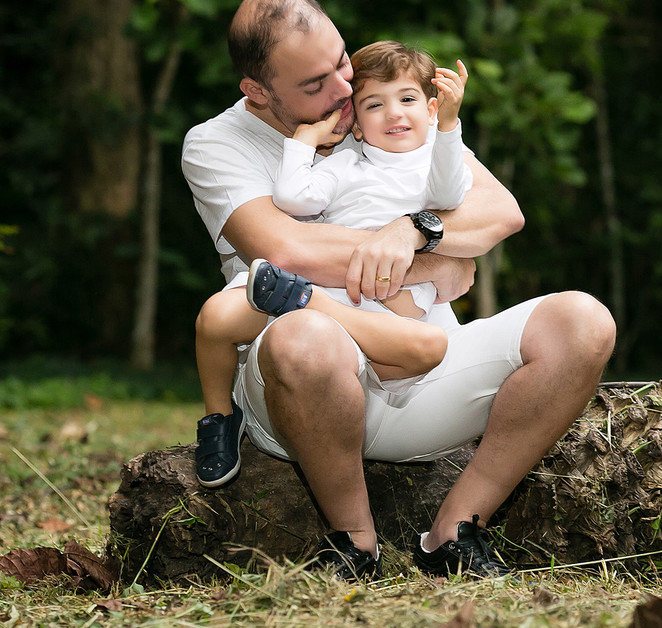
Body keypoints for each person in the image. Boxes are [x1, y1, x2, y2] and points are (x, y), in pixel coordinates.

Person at [181, 0, 616, 580]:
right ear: (257, 91)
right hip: (304, 383)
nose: (343, 90)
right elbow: (285, 248)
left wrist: (417, 230)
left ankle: (455, 532)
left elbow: (501, 213)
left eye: (341, 63)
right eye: (315, 84)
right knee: (302, 335)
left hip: (428, 372)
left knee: (583, 322)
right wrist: (441, 263)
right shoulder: (215, 144)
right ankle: (353, 541)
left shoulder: (379, 107)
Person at [191, 41, 473, 489]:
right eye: (374, 105)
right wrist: (303, 144)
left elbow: (455, 193)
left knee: (425, 344)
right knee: (215, 318)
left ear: (432, 109)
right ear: (358, 124)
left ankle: (308, 303)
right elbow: (293, 198)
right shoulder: (346, 164)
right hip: (324, 286)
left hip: (386, 304)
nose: (394, 114)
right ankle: (219, 417)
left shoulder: (438, 159)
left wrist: (449, 128)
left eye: (407, 100)